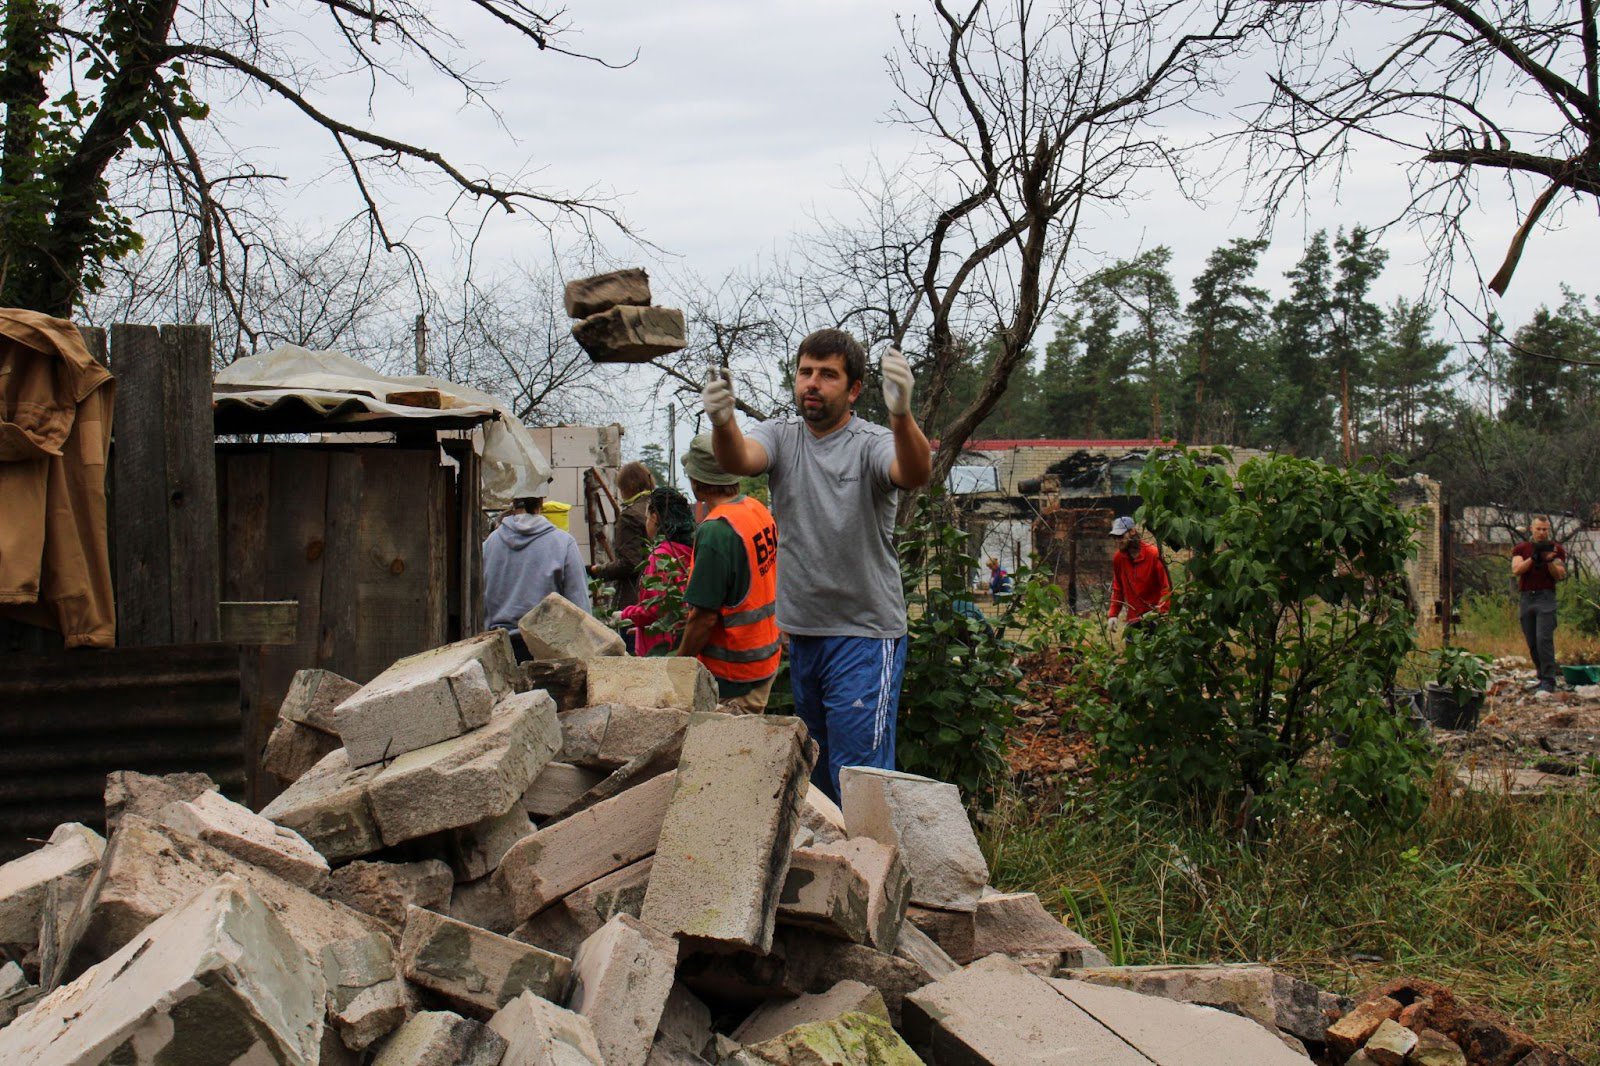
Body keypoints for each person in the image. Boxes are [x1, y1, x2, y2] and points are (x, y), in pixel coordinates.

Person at [702, 328, 932, 801]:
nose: (812, 383)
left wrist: (901, 414)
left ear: (853, 390)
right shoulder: (782, 436)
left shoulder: (871, 441)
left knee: (861, 778)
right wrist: (723, 421)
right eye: (806, 372)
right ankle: (834, 870)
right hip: (804, 633)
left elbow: (913, 472)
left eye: (828, 375)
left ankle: (873, 869)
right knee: (820, 775)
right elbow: (740, 459)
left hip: (864, 633)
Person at [674, 434, 782, 712]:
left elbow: (703, 618)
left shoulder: (717, 531)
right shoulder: (756, 510)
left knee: (728, 752)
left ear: (698, 484)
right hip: (765, 657)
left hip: (733, 676)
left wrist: (678, 669)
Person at [483, 491, 590, 660]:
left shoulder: (489, 544)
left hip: (497, 652)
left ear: (512, 499)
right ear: (541, 501)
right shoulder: (563, 543)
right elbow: (581, 609)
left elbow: (480, 605)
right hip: (547, 653)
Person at [620, 487, 696, 656]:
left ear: (655, 518)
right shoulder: (692, 551)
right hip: (686, 642)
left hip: (660, 651)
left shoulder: (661, 556)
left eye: (647, 517)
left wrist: (625, 615)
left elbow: (655, 608)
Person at [589, 461, 656, 647]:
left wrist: (598, 570)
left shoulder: (629, 516)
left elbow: (630, 563)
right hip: (658, 599)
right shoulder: (658, 507)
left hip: (634, 598)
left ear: (627, 487)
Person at [1512, 514, 1568, 693]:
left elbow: (1559, 574)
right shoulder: (1521, 548)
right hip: (1527, 598)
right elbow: (1517, 570)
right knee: (1532, 640)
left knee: (1544, 638)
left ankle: (1550, 679)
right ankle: (1541, 676)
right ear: (1532, 529)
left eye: (1545, 529)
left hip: (1546, 597)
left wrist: (1549, 560)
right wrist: (1534, 558)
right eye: (1539, 529)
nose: (1542, 533)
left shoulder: (1556, 549)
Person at [1107, 516, 1170, 631]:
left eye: (1120, 536)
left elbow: (1166, 587)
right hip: (1133, 620)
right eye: (1115, 538)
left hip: (1155, 618)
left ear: (1132, 531)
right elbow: (1118, 588)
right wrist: (1113, 614)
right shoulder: (1119, 558)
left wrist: (1163, 611)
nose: (1117, 541)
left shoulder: (1153, 554)